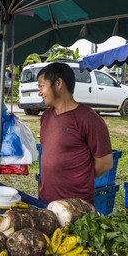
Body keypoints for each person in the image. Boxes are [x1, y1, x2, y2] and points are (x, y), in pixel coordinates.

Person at [37, 62, 113, 203]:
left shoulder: (89, 119)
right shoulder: (46, 117)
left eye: (42, 86)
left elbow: (105, 163)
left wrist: (79, 177)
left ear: (58, 83)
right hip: (45, 201)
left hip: (77, 206)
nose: (40, 92)